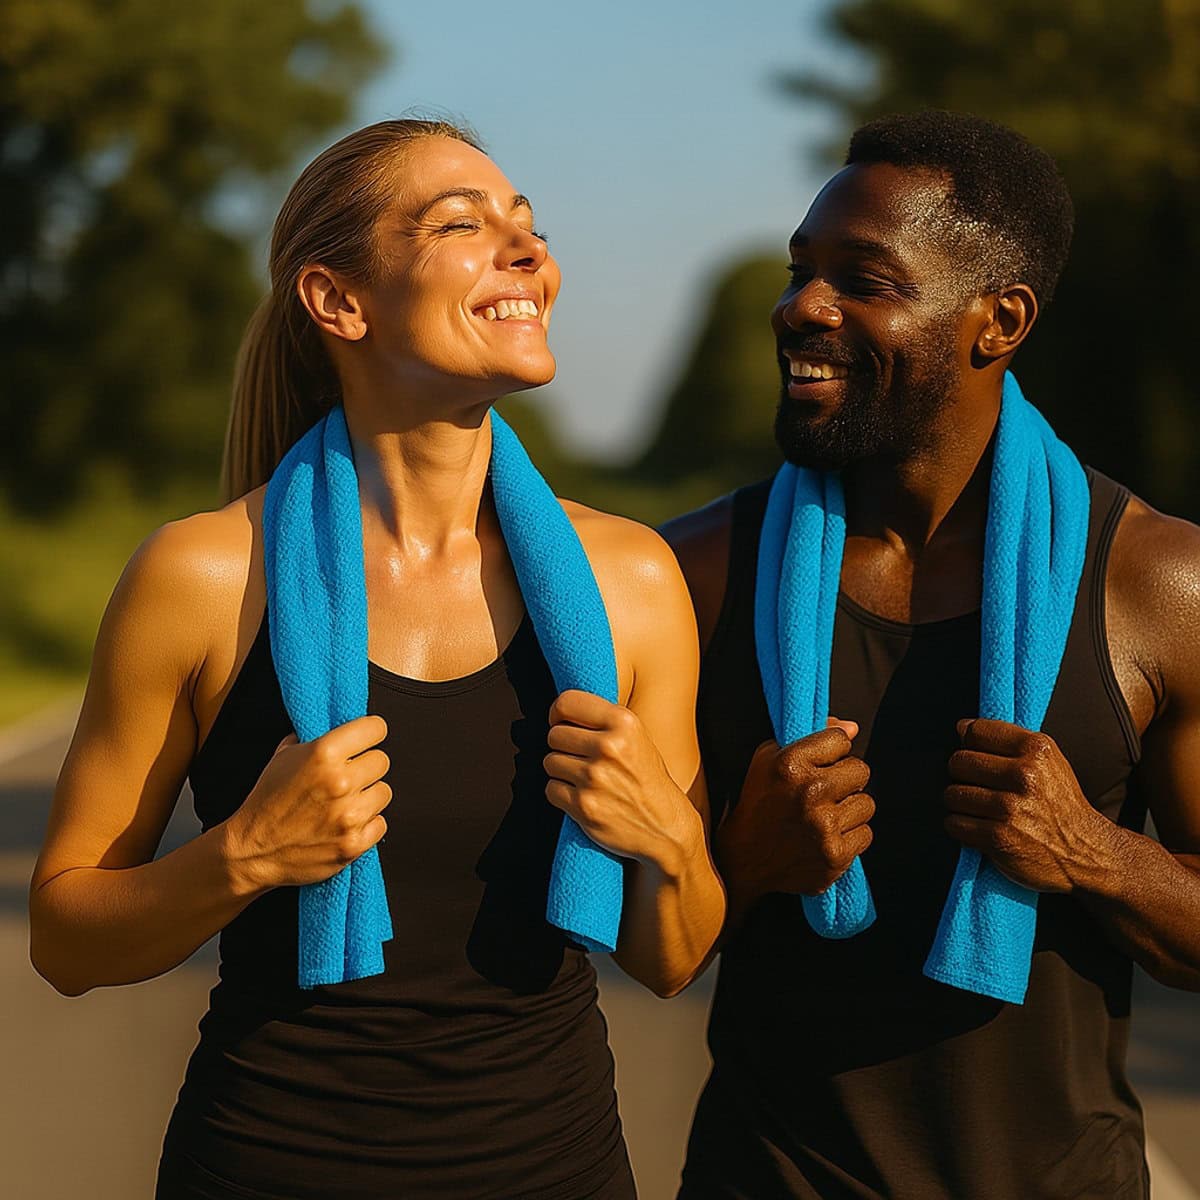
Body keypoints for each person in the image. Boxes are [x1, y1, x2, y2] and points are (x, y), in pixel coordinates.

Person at [28, 117, 724, 1200]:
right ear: (338, 302)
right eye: (463, 222)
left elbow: (673, 959)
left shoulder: (628, 584)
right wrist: (243, 857)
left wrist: (673, 843)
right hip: (263, 1166)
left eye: (527, 226)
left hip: (555, 1171)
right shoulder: (206, 578)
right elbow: (66, 940)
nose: (527, 251)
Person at [664, 110, 1200, 1199]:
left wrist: (1094, 852)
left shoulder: (1158, 584)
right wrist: (741, 864)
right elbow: (623, 935)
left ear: (996, 322)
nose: (801, 307)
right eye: (800, 270)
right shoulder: (699, 572)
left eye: (863, 278)